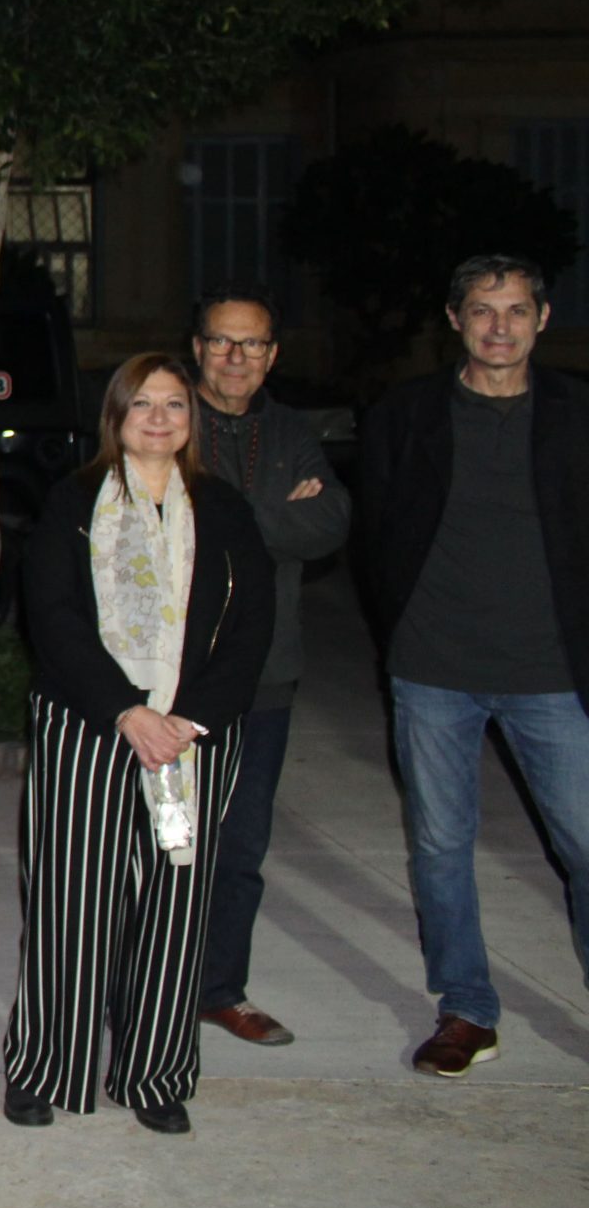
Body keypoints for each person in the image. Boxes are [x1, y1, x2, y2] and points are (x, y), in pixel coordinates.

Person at [2, 353, 272, 1137]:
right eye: (142, 403)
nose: (159, 418)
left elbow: (252, 625)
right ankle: (45, 1066)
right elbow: (51, 614)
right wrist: (126, 708)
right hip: (90, 726)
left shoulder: (225, 509)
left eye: (174, 404)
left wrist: (188, 718)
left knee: (174, 908)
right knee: (71, 902)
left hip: (191, 736)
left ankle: (154, 1072)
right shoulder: (74, 500)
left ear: (193, 417)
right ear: (115, 415)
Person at [356, 254, 589, 1079]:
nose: (500, 326)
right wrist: (402, 632)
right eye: (483, 310)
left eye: (517, 309)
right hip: (434, 669)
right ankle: (466, 1009)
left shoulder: (576, 412)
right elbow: (377, 535)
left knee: (585, 842)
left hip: (553, 672)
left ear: (542, 318)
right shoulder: (408, 413)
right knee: (441, 846)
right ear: (455, 319)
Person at [186, 286, 351, 1048]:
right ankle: (149, 986)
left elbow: (331, 520)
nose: (235, 357)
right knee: (160, 842)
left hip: (266, 675)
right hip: (174, 678)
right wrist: (274, 513)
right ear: (198, 347)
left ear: (272, 354)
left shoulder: (291, 431)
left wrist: (229, 517)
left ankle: (220, 990)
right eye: (222, 340)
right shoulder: (167, 415)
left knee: (241, 847)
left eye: (251, 343)